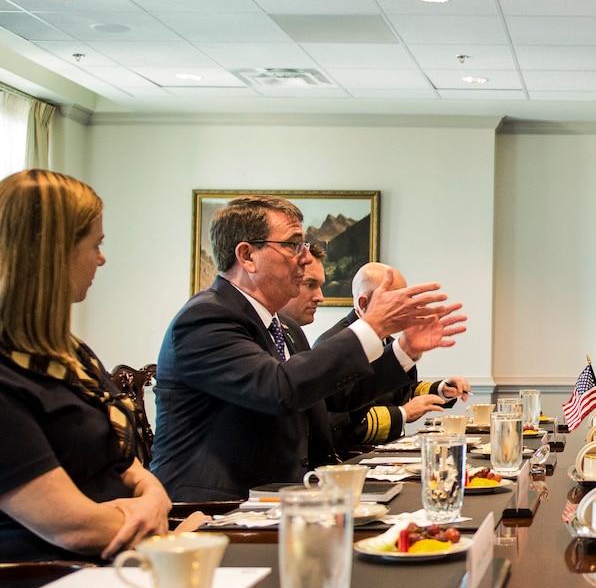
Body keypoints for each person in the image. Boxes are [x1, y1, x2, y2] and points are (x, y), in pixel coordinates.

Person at [150, 194, 466, 501]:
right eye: (293, 244)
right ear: (247, 256)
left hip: (282, 498)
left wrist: (405, 349)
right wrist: (372, 326)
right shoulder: (206, 317)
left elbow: (337, 398)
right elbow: (277, 389)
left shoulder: (284, 326)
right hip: (218, 508)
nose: (305, 257)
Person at [0, 170, 171, 561]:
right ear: (53, 252)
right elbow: (73, 526)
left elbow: (124, 462)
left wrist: (153, 498)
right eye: (96, 244)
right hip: (45, 584)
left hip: (114, 565)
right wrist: (155, 522)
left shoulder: (73, 355)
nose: (101, 258)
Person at [313, 261, 470, 453]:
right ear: (364, 304)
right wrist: (403, 413)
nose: (405, 309)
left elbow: (404, 390)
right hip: (354, 458)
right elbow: (340, 422)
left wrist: (441, 389)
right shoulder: (333, 344)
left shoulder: (387, 339)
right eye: (396, 302)